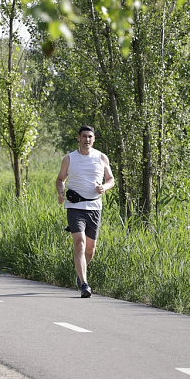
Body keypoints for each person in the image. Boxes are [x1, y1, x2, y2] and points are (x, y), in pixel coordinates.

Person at [56, 125, 115, 297]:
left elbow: (111, 179)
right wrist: (61, 192)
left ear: (94, 139)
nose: (87, 140)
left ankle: (80, 272)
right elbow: (60, 179)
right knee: (80, 243)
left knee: (90, 250)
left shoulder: (101, 158)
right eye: (84, 136)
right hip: (75, 207)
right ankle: (84, 284)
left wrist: (104, 187)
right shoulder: (69, 159)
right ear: (78, 138)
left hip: (95, 207)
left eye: (90, 136)